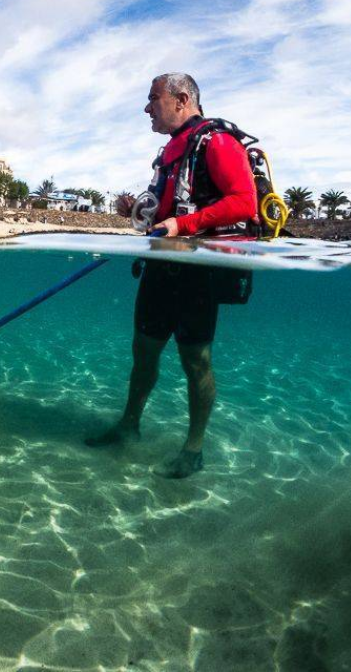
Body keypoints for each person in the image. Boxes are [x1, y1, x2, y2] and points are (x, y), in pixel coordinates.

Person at [86, 73, 258, 478]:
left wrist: (183, 226)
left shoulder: (216, 141)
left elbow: (244, 202)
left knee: (195, 360)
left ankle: (193, 449)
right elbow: (165, 214)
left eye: (153, 99)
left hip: (197, 271)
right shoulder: (170, 153)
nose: (147, 108)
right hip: (162, 268)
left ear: (182, 99)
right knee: (143, 351)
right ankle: (129, 425)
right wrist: (136, 213)